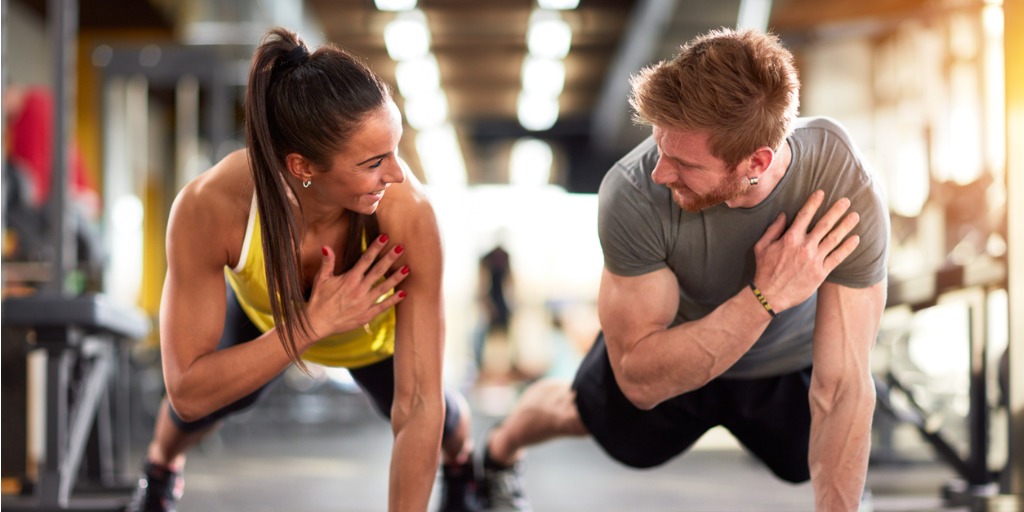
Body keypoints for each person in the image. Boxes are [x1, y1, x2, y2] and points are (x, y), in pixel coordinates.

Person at [477, 27, 889, 512]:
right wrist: (765, 295)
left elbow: (841, 385)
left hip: (780, 365)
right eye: (659, 147)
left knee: (822, 446)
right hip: (672, 351)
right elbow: (639, 380)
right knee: (577, 412)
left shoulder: (841, 181)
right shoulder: (631, 192)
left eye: (683, 162)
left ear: (756, 160)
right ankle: (498, 453)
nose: (660, 172)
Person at [128, 27, 480, 512]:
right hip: (266, 315)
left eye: (396, 149)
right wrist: (314, 323)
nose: (397, 174)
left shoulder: (410, 214)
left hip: (371, 327)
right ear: (303, 166)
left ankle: (465, 468)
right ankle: (160, 469)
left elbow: (417, 407)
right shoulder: (210, 205)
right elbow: (187, 391)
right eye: (374, 161)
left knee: (436, 412)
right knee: (206, 407)